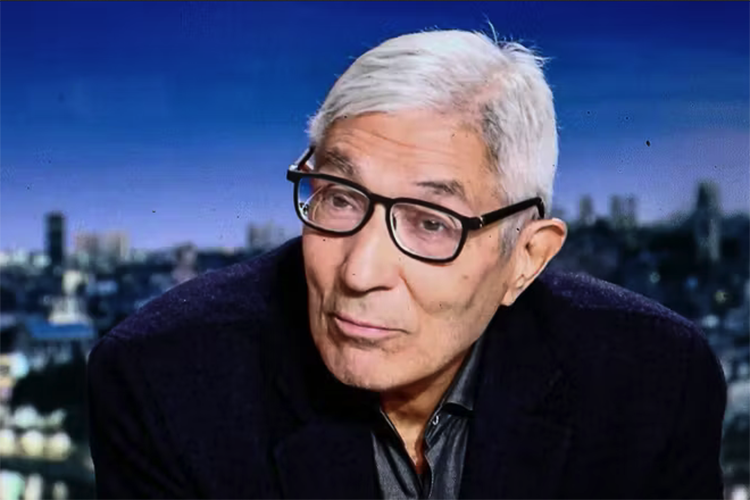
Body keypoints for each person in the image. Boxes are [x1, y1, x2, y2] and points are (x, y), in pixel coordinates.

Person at [87, 29, 727, 500]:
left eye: (431, 222)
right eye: (340, 198)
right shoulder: (166, 381)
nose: (359, 272)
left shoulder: (653, 382)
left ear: (526, 259)